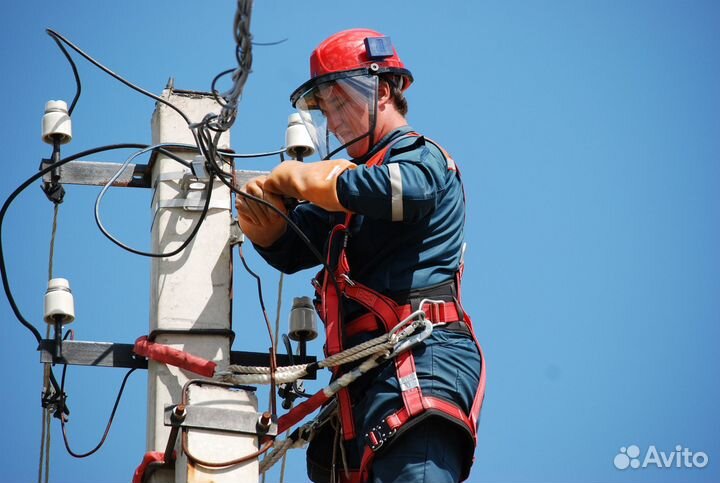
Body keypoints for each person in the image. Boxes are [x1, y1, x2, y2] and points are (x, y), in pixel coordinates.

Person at [236, 28, 486, 483]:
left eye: (339, 101)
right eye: (325, 108)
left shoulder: (421, 158)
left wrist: (307, 179)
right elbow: (293, 247)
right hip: (365, 375)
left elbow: (397, 191)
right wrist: (265, 224)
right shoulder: (347, 201)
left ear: (384, 90)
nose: (332, 121)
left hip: (421, 356)